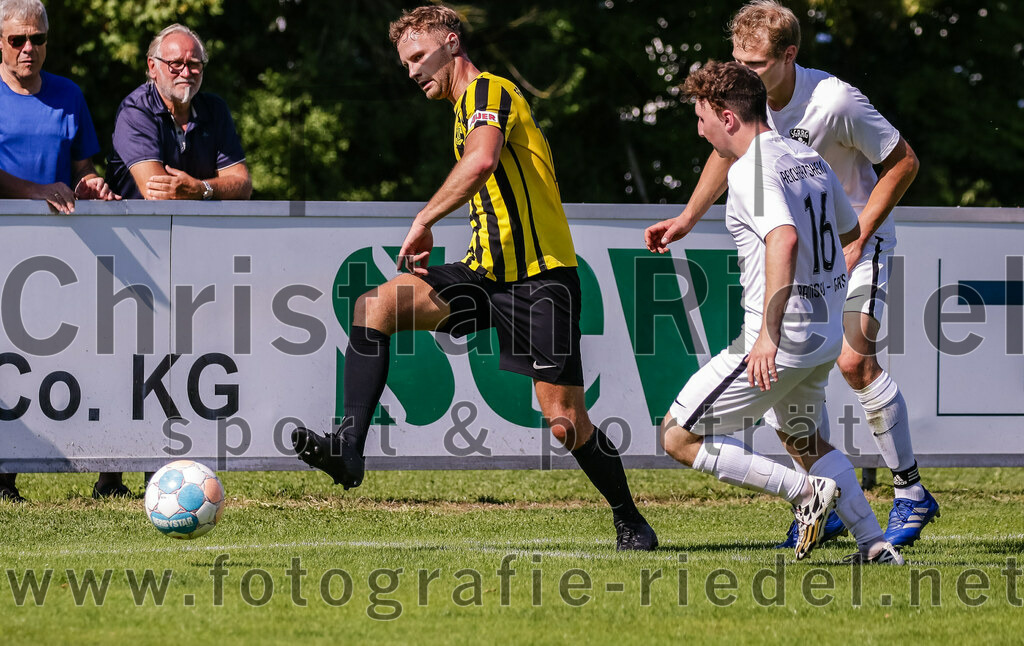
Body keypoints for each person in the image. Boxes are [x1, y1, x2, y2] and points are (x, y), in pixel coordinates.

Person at [291, 5, 657, 551]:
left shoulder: (489, 92)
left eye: (419, 57)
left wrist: (423, 219)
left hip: (540, 280)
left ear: (452, 43)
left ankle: (630, 518)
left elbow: (483, 162)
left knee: (563, 420)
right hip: (484, 273)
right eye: (405, 63)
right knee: (376, 306)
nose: (412, 71)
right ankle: (348, 448)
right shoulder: (462, 111)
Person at [665, 0, 935, 549]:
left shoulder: (833, 100)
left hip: (857, 238)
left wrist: (858, 235)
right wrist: (689, 217)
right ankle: (842, 515)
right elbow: (729, 149)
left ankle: (908, 491)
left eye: (757, 63)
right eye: (738, 58)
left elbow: (903, 161)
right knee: (799, 414)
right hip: (819, 252)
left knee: (854, 361)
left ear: (789, 56)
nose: (743, 71)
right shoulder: (748, 107)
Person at [0, 0, 121, 501]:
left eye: (38, 39)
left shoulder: (69, 94)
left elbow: (80, 168)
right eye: (17, 40)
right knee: (10, 360)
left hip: (64, 249)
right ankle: (4, 477)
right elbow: (41, 187)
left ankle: (111, 470)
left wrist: (89, 184)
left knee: (93, 352)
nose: (29, 48)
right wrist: (33, 191)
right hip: (7, 243)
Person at [106, 24, 251, 201]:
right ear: (152, 67)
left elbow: (243, 184)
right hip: (136, 226)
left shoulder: (215, 109)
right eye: (175, 64)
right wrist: (210, 190)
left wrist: (202, 188)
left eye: (194, 64)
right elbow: (158, 193)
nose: (186, 72)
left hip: (197, 225)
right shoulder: (136, 110)